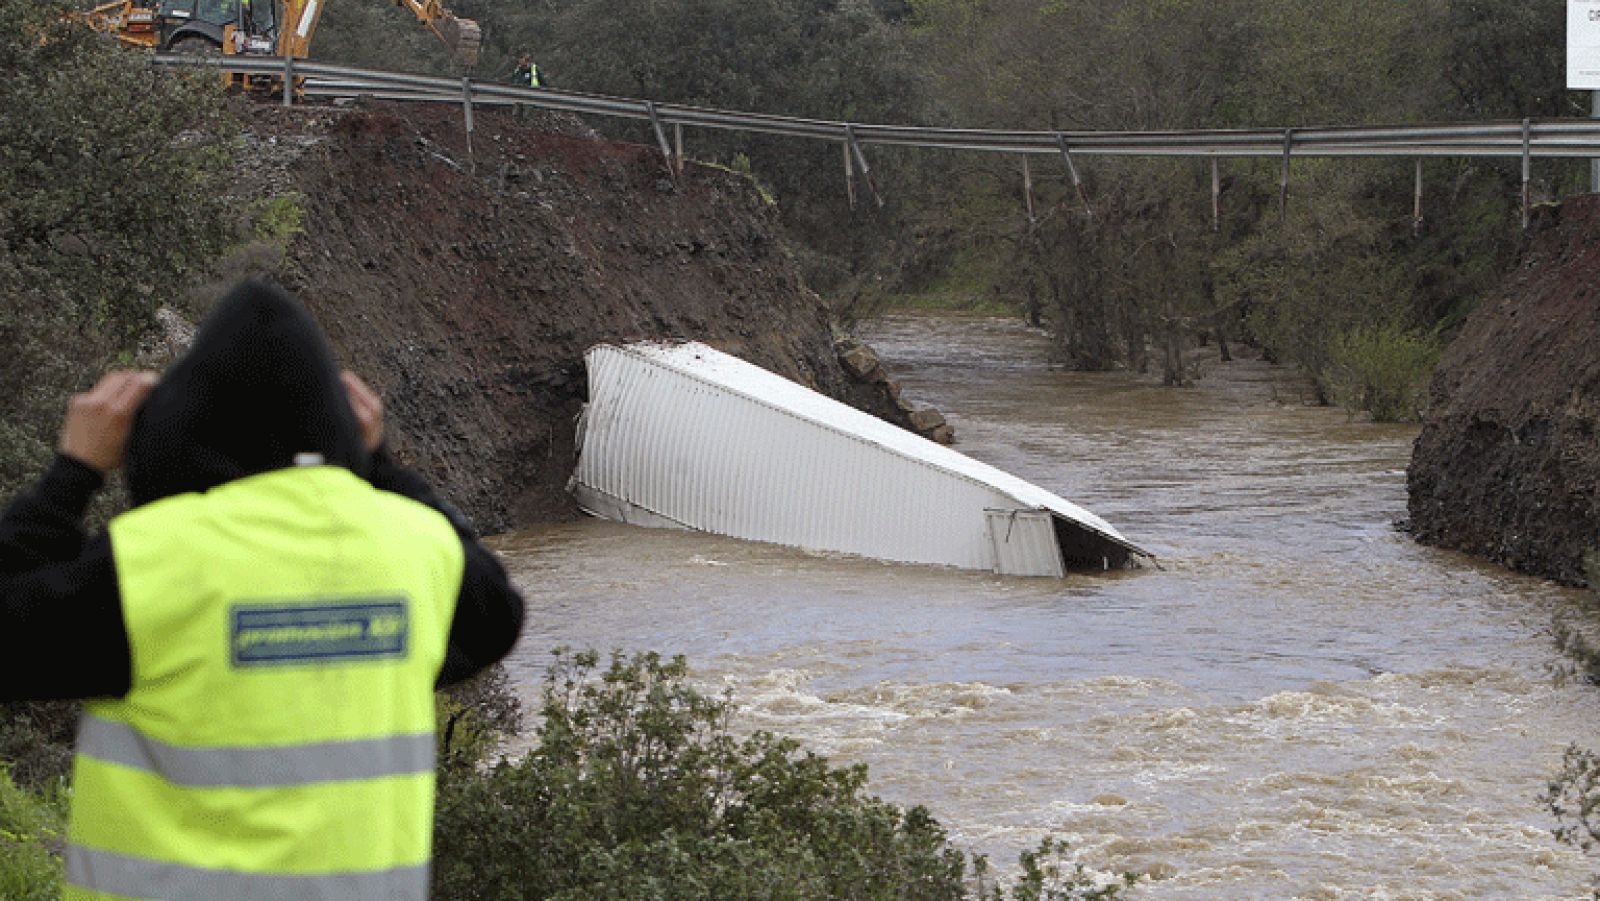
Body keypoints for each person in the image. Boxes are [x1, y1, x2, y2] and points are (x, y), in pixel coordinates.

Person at [0, 279, 525, 900]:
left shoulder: (152, 563)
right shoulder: (414, 551)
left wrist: (72, 473)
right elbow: (497, 611)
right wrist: (383, 465)